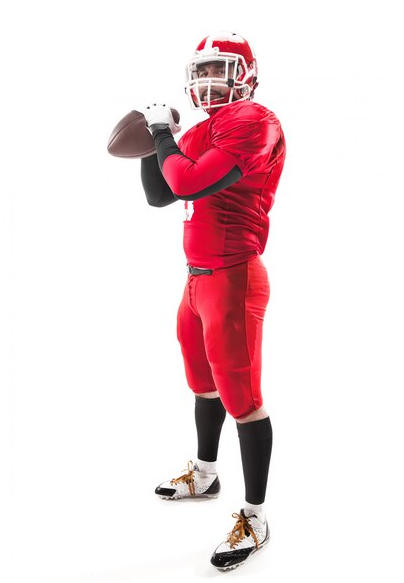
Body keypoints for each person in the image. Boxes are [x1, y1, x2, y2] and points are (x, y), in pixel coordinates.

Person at [139, 32, 286, 571]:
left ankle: (255, 515)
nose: (206, 82)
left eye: (217, 71)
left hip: (233, 278)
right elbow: (160, 190)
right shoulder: (205, 129)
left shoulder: (254, 121)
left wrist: (162, 134)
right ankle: (205, 474)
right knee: (202, 384)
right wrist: (155, 140)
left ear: (244, 74)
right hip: (197, 280)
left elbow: (189, 183)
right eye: (199, 73)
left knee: (242, 398)